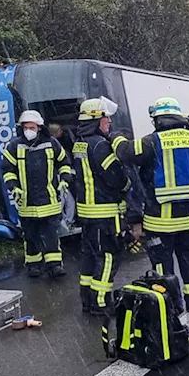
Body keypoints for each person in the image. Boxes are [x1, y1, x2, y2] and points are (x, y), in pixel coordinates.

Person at [124, 97, 189, 314]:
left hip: (160, 217)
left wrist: (115, 138)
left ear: (158, 119)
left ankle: (171, 305)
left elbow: (126, 153)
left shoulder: (153, 141)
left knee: (163, 263)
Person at [71, 97, 137, 315]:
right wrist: (128, 184)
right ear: (95, 119)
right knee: (108, 255)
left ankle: (87, 300)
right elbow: (115, 178)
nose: (109, 120)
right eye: (105, 117)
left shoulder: (80, 143)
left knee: (91, 255)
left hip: (87, 213)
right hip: (105, 212)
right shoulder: (100, 145)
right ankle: (101, 302)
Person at [1, 110, 72, 279]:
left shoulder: (52, 144)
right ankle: (33, 266)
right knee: (31, 237)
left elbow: (64, 163)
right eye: (26, 127)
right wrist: (14, 187)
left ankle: (54, 266)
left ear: (39, 128)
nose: (28, 130)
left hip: (49, 201)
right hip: (27, 203)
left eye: (31, 127)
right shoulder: (14, 146)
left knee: (51, 237)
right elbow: (7, 170)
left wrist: (64, 181)